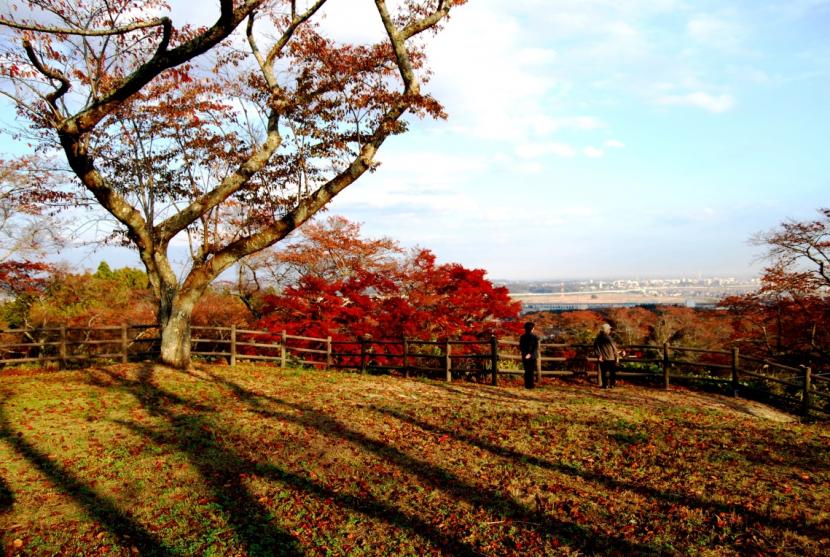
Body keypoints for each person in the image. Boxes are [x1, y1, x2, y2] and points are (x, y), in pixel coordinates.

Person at [593, 323, 623, 389]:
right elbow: (614, 347)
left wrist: (599, 355)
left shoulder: (598, 338)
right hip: (611, 357)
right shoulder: (608, 338)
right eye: (609, 329)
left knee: (604, 372)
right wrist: (617, 355)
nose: (610, 331)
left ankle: (605, 385)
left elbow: (595, 348)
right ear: (606, 330)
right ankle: (612, 385)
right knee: (612, 372)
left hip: (603, 358)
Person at [519, 321, 540, 389]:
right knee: (531, 371)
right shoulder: (535, 337)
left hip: (524, 355)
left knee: (526, 370)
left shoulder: (522, 337)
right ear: (532, 328)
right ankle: (531, 385)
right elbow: (536, 347)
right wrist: (530, 354)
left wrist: (526, 354)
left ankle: (527, 385)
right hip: (533, 356)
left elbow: (521, 347)